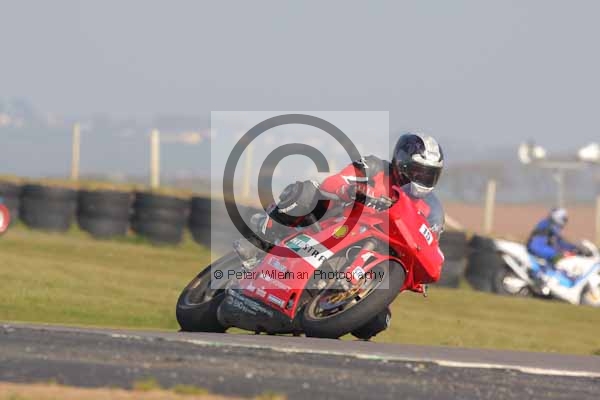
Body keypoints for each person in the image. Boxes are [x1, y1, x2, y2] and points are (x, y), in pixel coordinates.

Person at [233, 132, 445, 263]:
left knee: (379, 318)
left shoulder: (430, 209)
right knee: (307, 192)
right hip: (336, 223)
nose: (422, 180)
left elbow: (430, 247)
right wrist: (350, 190)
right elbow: (332, 182)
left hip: (375, 253)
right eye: (417, 172)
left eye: (429, 175)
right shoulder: (375, 167)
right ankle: (260, 241)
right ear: (401, 162)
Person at [526, 208, 588, 283]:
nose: (565, 222)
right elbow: (540, 245)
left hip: (542, 252)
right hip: (538, 252)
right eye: (564, 219)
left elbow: (561, 243)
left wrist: (574, 248)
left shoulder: (549, 226)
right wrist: (560, 253)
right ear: (558, 217)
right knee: (560, 261)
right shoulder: (547, 226)